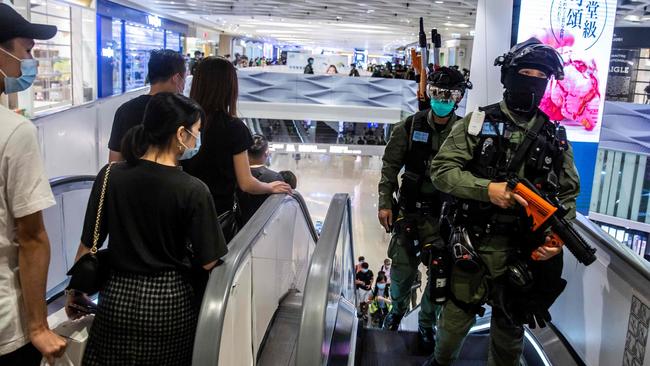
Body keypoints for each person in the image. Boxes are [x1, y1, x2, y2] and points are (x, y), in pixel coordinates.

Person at [426, 38, 580, 366]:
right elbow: (441, 171)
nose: (532, 81)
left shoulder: (554, 137)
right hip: (473, 247)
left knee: (509, 341)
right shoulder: (477, 124)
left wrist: (556, 239)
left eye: (541, 76)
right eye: (525, 72)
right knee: (452, 331)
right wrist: (486, 189)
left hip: (521, 254)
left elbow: (568, 195)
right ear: (508, 76)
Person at [65, 93, 228, 365]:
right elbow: (210, 261)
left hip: (116, 297)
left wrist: (75, 291)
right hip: (168, 303)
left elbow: (87, 244)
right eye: (196, 132)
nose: (196, 141)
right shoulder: (193, 190)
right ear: (180, 134)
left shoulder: (110, 175)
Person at [377, 67, 472, 346]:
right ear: (429, 93)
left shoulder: (465, 133)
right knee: (401, 271)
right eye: (437, 93)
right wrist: (385, 202)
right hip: (410, 212)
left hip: (444, 217)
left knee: (440, 275)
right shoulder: (408, 126)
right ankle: (396, 312)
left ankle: (427, 324)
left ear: (458, 98)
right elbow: (390, 167)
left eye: (449, 95)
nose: (442, 99)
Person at [0, 5, 68, 365]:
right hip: (6, 326)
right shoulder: (14, 132)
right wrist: (39, 326)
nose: (28, 61)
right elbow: (31, 236)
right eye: (25, 50)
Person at [183, 57, 291, 219]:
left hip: (182, 208)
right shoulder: (234, 127)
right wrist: (269, 187)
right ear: (228, 87)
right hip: (216, 214)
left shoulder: (183, 121)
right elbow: (246, 183)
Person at [108, 49, 186, 162]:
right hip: (168, 179)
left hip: (131, 179)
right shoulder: (180, 112)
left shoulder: (124, 110)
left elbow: (114, 161)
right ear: (176, 78)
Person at [237, 134, 284, 224]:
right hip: (264, 227)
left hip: (239, 226)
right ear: (266, 153)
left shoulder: (236, 176)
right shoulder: (275, 178)